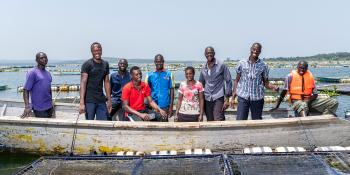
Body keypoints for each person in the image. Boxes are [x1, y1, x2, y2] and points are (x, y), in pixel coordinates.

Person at [272, 61, 338, 117]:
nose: (302, 70)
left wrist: (307, 100)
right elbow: (284, 91)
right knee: (303, 105)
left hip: (309, 101)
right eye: (300, 68)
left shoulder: (310, 76)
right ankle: (305, 121)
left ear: (307, 68)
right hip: (296, 102)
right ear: (297, 67)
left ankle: (324, 118)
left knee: (333, 102)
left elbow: (315, 95)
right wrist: (277, 105)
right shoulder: (290, 76)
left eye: (304, 68)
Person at [231, 43, 279, 120]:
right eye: (254, 49)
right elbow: (236, 80)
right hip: (243, 97)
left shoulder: (263, 65)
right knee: (240, 120)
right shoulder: (241, 63)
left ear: (260, 51)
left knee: (257, 121)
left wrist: (273, 87)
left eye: (258, 50)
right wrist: (233, 97)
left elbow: (265, 83)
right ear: (250, 49)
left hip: (257, 98)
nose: (255, 51)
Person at [79, 42, 112, 120]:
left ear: (101, 51)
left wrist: (109, 100)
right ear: (92, 52)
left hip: (101, 99)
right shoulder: (87, 64)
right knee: (89, 123)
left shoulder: (105, 64)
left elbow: (107, 82)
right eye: (95, 51)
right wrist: (81, 102)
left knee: (103, 122)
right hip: (89, 100)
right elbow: (83, 83)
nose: (97, 52)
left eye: (99, 50)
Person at [199, 46, 232, 121]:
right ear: (205, 54)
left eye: (211, 52)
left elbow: (229, 81)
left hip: (218, 96)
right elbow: (201, 83)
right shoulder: (204, 67)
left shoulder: (221, 65)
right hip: (207, 97)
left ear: (214, 53)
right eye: (207, 53)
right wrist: (199, 99)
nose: (209, 54)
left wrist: (227, 99)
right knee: (209, 119)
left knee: (218, 118)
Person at [21, 52, 53, 118]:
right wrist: (27, 106)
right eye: (41, 58)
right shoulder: (32, 73)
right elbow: (26, 90)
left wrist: (51, 102)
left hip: (49, 107)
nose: (44, 59)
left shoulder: (48, 73)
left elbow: (49, 89)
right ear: (37, 60)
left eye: (45, 57)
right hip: (39, 109)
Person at [145, 54, 175, 122]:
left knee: (164, 124)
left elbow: (172, 91)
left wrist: (171, 107)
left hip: (165, 106)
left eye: (161, 61)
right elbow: (146, 91)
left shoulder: (169, 74)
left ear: (163, 61)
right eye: (157, 61)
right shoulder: (149, 75)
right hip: (153, 106)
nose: (159, 63)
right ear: (155, 62)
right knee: (152, 122)